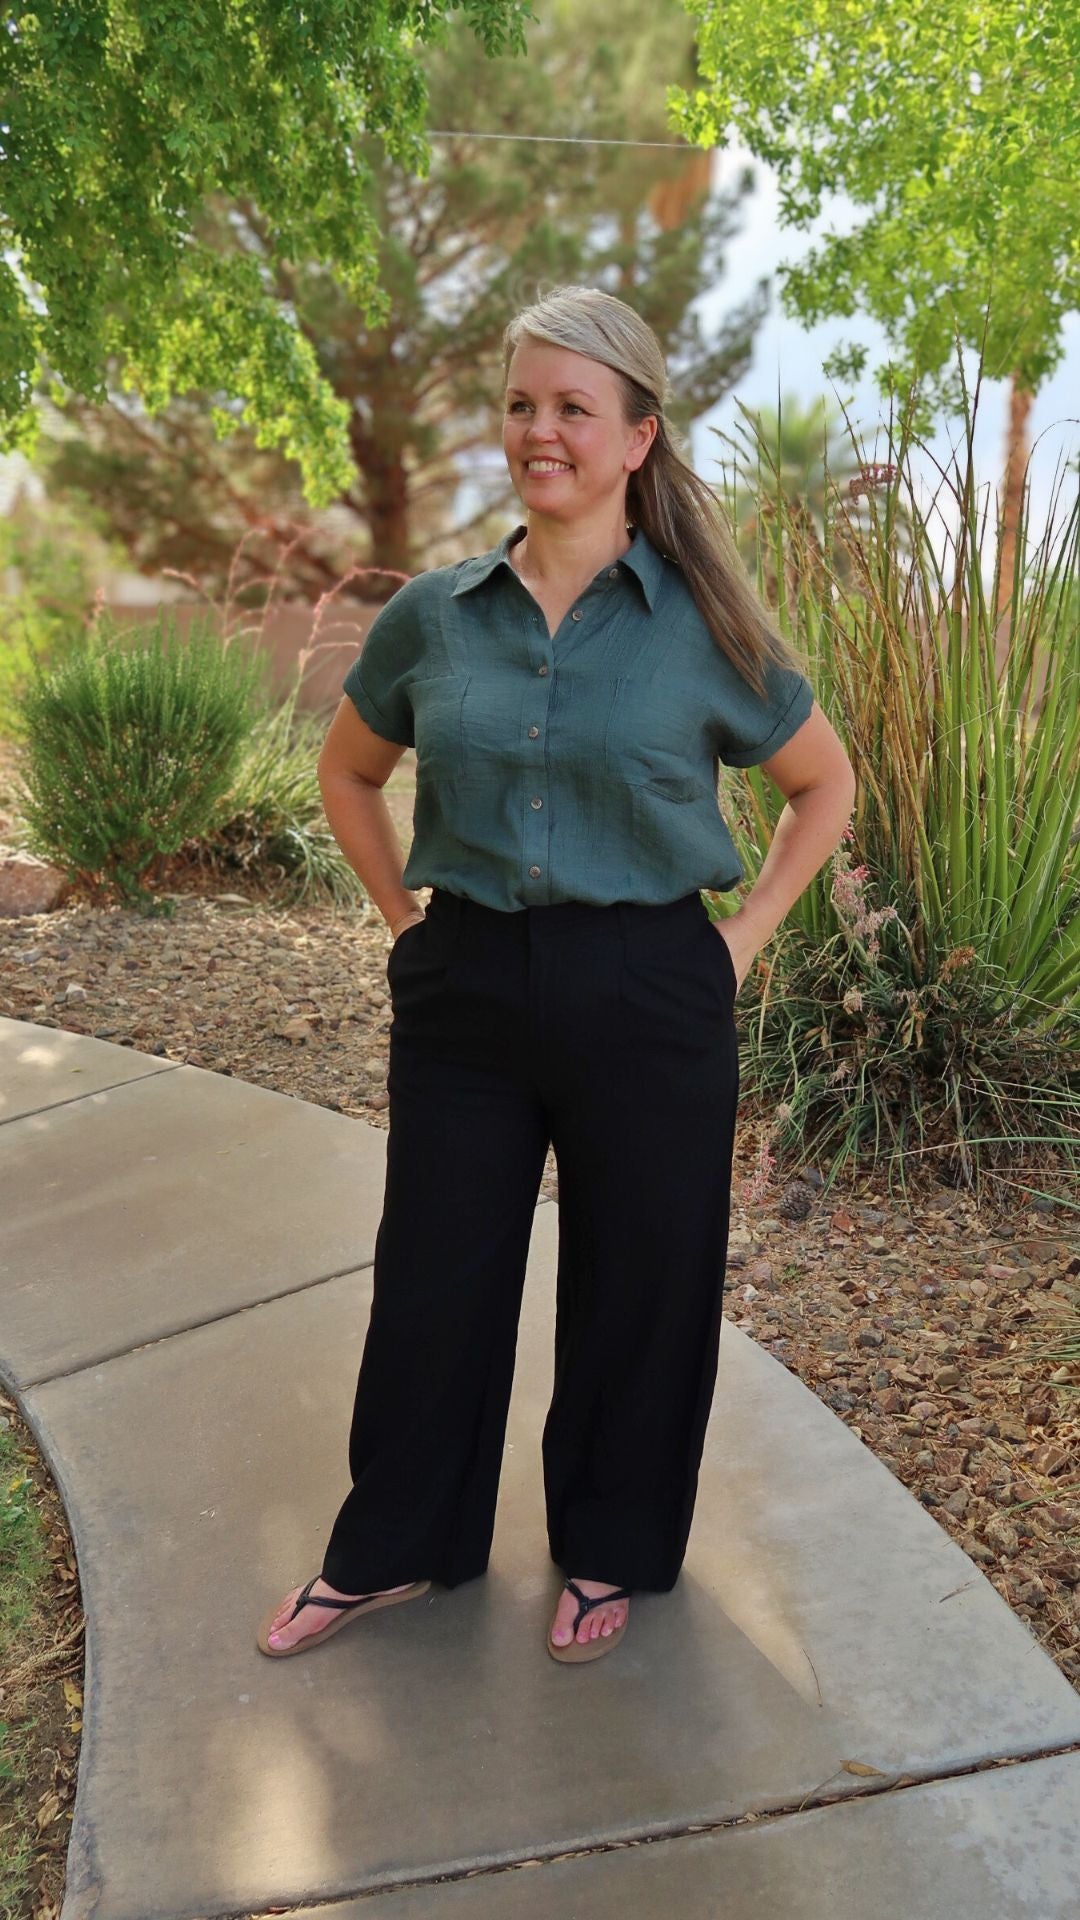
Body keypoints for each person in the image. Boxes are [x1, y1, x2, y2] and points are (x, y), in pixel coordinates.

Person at [256, 283, 855, 1666]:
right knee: (435, 1277)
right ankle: (394, 1546)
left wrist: (739, 942)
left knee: (641, 1283)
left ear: (638, 436)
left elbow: (823, 786)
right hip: (466, 984)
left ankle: (608, 1550)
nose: (543, 432)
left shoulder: (702, 622)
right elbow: (349, 771)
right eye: (523, 405)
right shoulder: (437, 617)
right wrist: (406, 923)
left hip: (651, 985)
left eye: (573, 410)